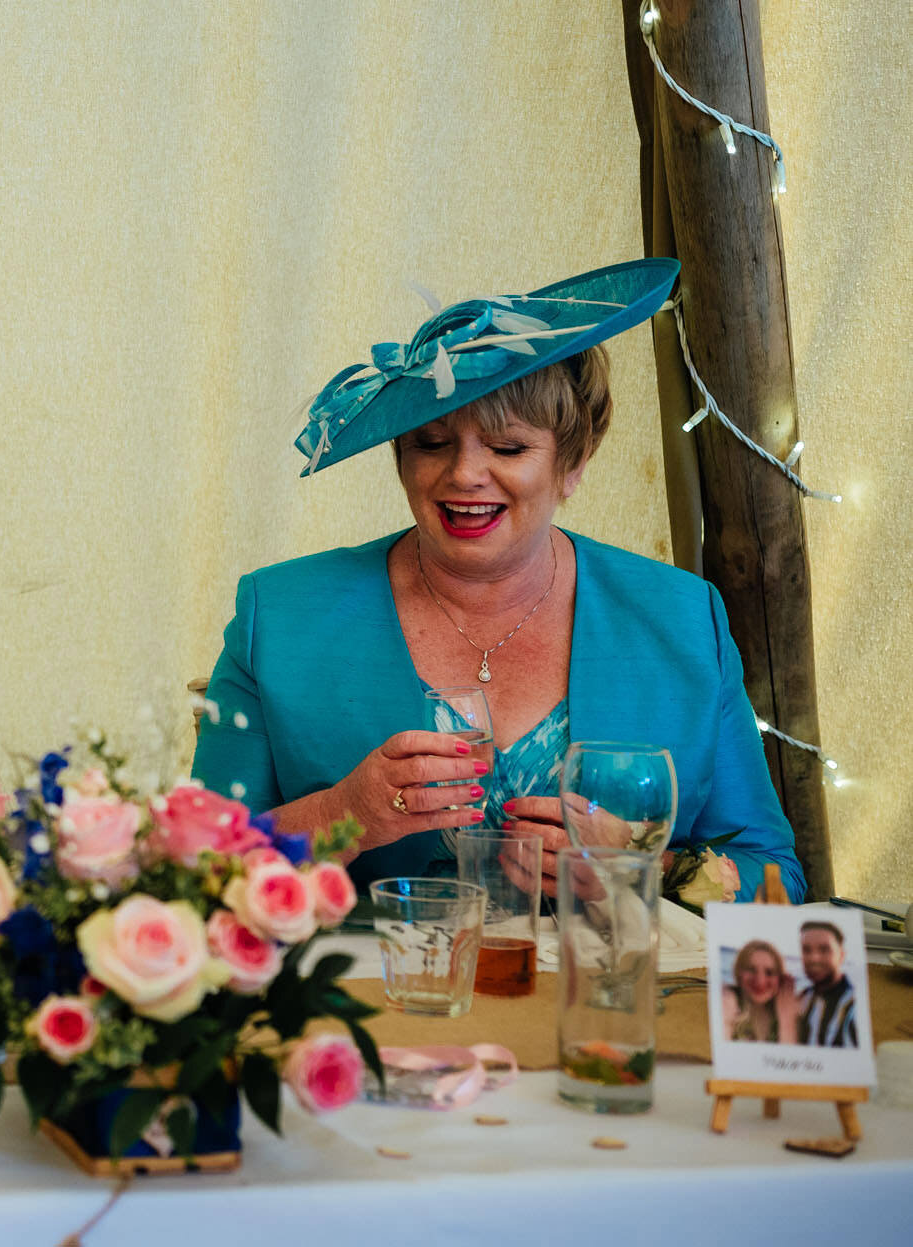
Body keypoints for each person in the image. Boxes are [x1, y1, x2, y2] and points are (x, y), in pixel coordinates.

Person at [189, 260, 802, 900]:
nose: (464, 474)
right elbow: (191, 867)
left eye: (508, 449)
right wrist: (343, 816)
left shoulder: (682, 617)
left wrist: (641, 867)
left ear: (572, 463)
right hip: (378, 996)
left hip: (605, 995)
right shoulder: (280, 615)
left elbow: (775, 875)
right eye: (431, 442)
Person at [722, 938, 802, 1044]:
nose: (760, 981)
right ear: (739, 972)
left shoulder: (792, 1012)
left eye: (769, 972)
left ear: (780, 978)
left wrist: (786, 1021)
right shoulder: (728, 1000)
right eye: (751, 969)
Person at [798, 919, 860, 1047]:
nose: (814, 958)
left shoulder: (854, 1006)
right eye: (806, 950)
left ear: (841, 955)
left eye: (824, 949)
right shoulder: (803, 997)